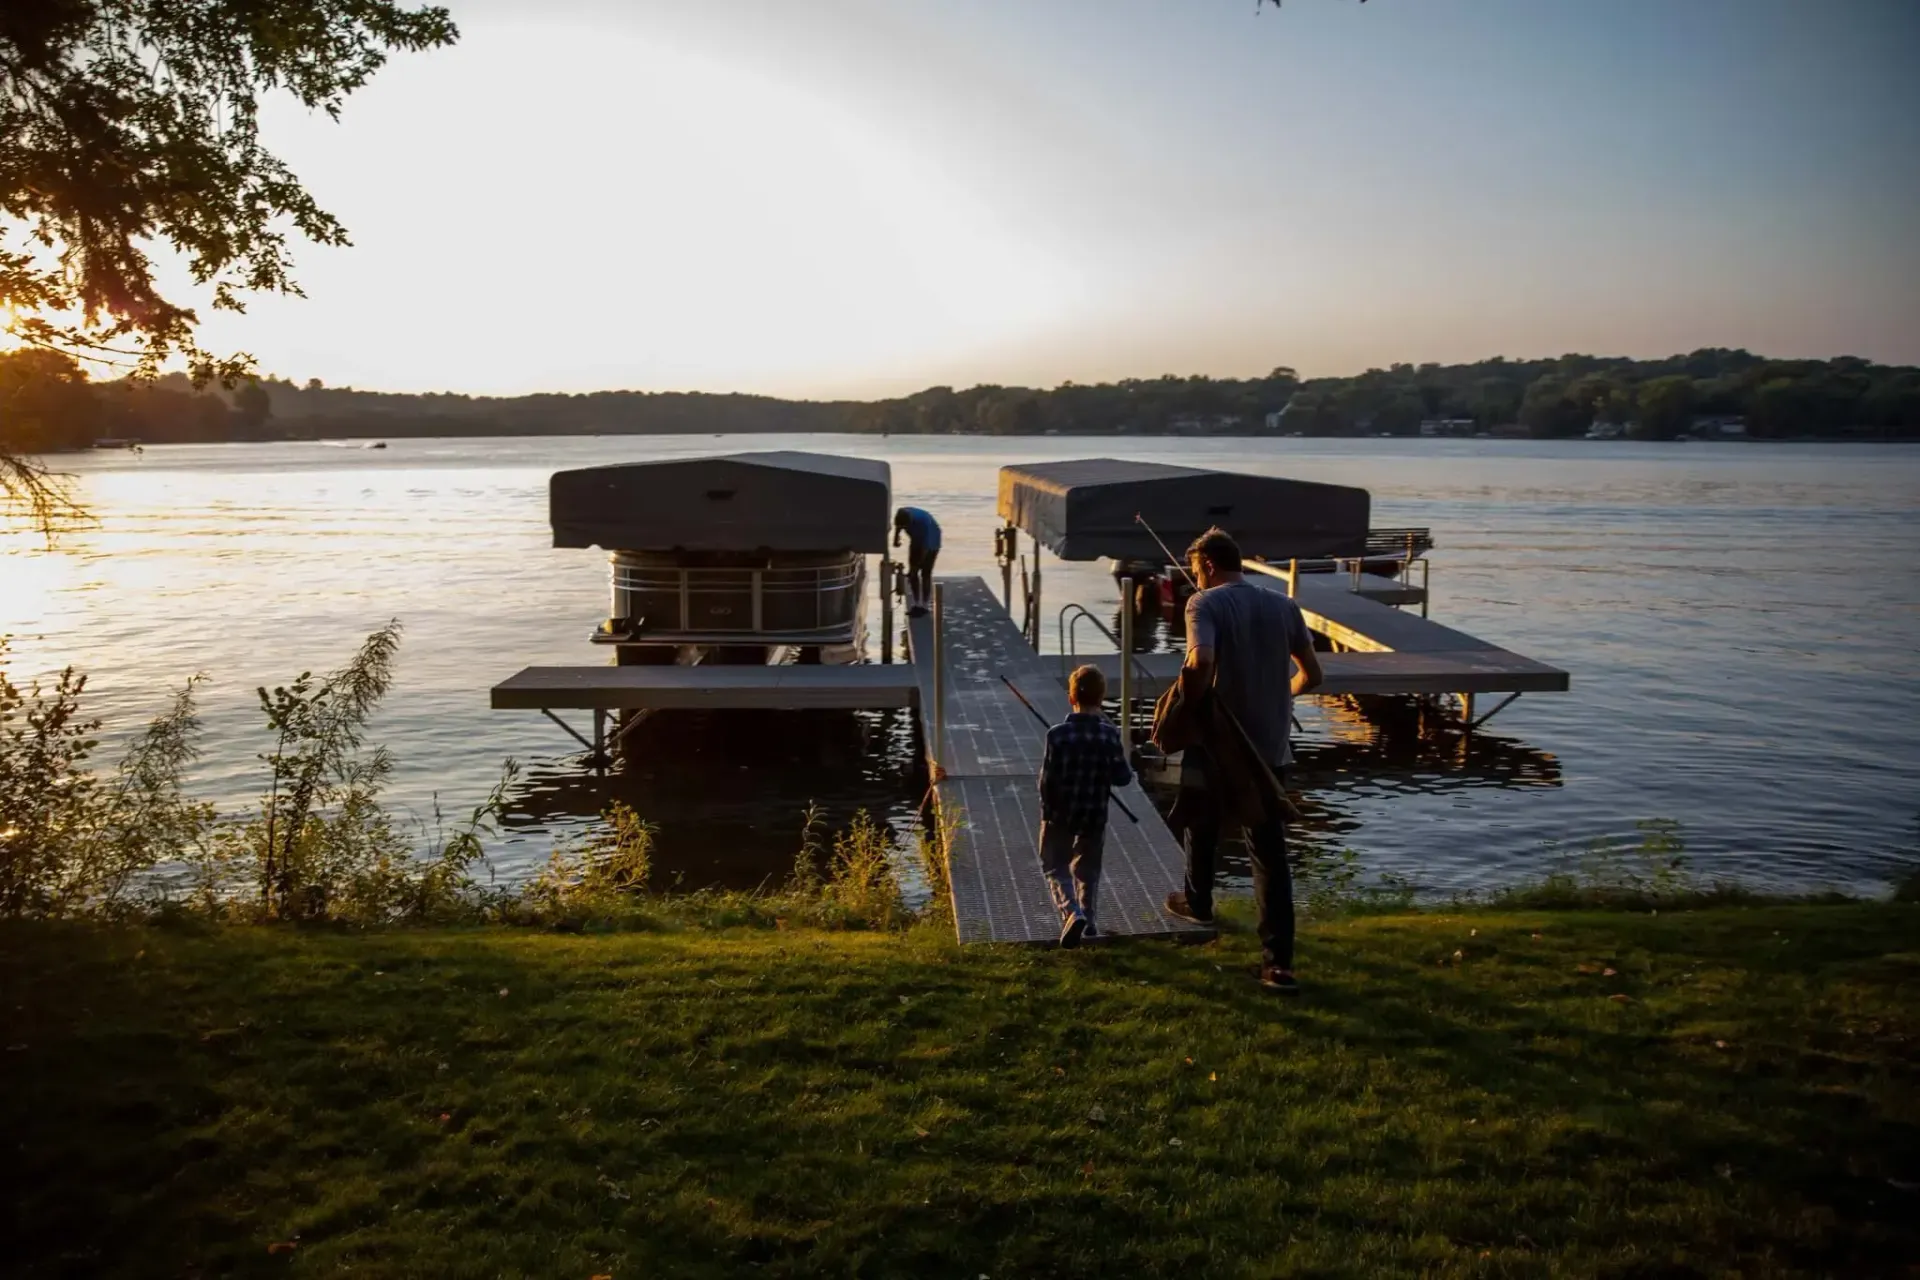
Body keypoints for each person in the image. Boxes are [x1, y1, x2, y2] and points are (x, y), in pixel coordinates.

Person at [1164, 527, 1322, 994]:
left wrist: (1192, 706)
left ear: (1208, 564)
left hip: (1218, 742)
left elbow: (1200, 662)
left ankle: (1198, 903)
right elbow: (1312, 674)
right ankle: (1279, 965)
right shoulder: (1284, 606)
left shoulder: (1203, 604)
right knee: (1268, 851)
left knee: (1199, 820)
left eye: (1195, 571)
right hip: (1269, 749)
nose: (1195, 580)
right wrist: (1280, 698)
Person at [1038, 664, 1134, 948]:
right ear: (1101, 698)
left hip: (1061, 814)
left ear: (1071, 698)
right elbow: (1123, 777)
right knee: (1088, 869)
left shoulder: (1056, 735)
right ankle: (1089, 922)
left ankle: (1071, 912)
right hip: (1094, 814)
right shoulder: (1109, 735)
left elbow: (1046, 781)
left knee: (1055, 866)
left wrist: (1047, 811)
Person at [892, 506, 941, 616]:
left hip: (932, 540)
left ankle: (924, 605)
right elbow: (898, 526)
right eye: (902, 527)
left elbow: (925, 549)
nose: (903, 528)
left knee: (925, 572)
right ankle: (916, 603)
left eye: (905, 527)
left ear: (910, 523)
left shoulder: (923, 524)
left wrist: (916, 567)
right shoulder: (901, 514)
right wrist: (895, 539)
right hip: (916, 539)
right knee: (913, 573)